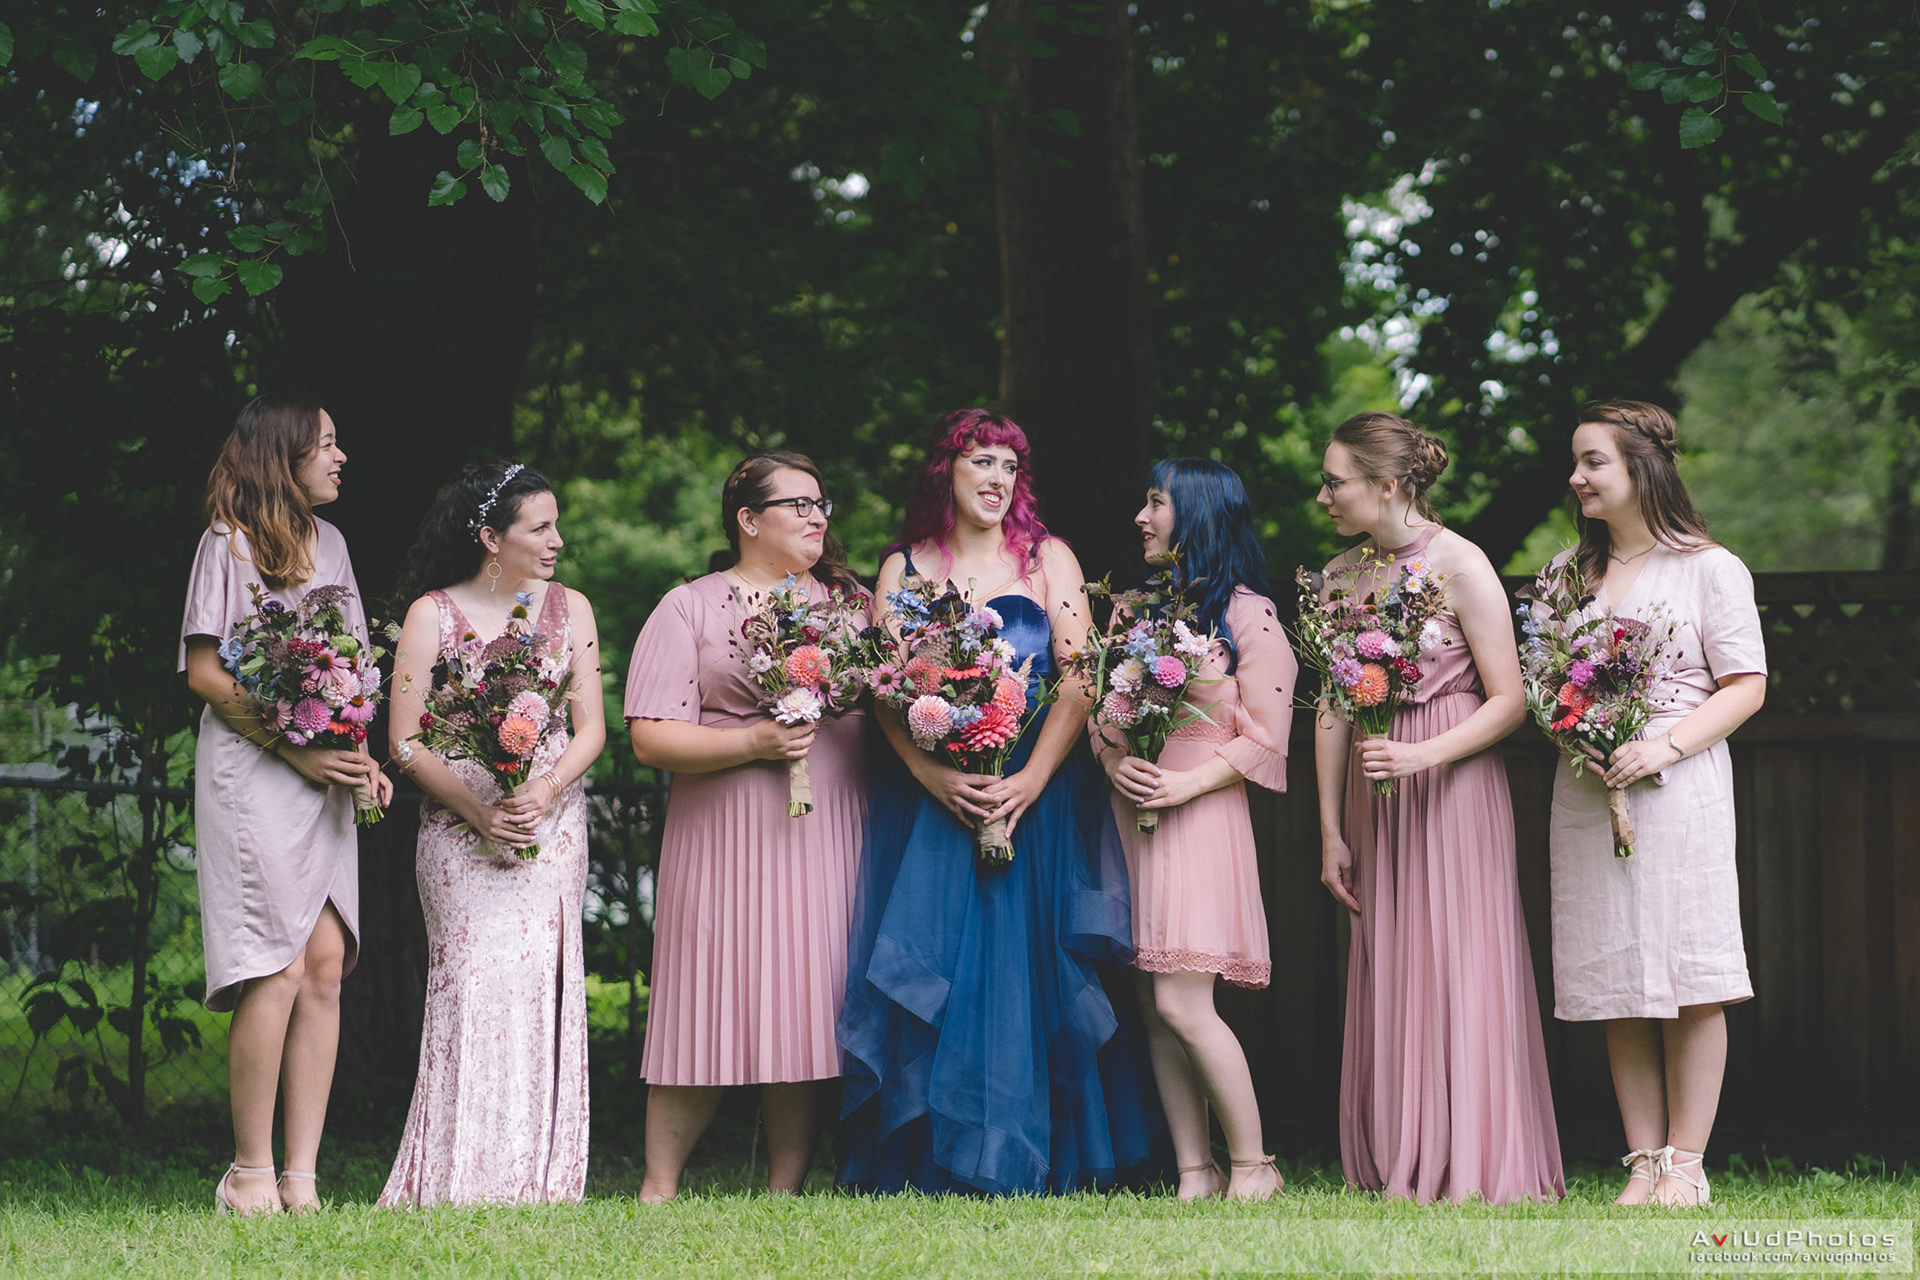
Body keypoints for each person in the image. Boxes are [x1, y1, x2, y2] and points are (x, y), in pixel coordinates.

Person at [837, 409, 1160, 1196]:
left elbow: (1079, 678)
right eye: (981, 460)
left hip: (1033, 790)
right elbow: (884, 689)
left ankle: (1032, 1151)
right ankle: (931, 1154)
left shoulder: (1049, 559)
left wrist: (1033, 780)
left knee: (1030, 961)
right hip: (934, 794)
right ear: (944, 470)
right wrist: (933, 777)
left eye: (1010, 466)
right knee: (941, 952)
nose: (997, 478)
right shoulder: (902, 568)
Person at [1314, 411, 1564, 1204]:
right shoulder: (1339, 576)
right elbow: (1332, 706)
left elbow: (1511, 701)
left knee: (1460, 955)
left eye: (1335, 482)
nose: (1323, 496)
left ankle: (1477, 1156)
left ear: (1388, 485)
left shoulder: (1461, 564)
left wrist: (1422, 756)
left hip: (1452, 781)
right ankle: (1401, 1148)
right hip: (1374, 789)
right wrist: (1329, 828)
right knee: (1391, 957)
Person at [625, 452, 872, 1201]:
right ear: (748, 520)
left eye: (822, 504)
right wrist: (754, 742)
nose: (816, 516)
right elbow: (650, 737)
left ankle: (784, 1190)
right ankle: (659, 1186)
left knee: (807, 999)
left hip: (826, 829)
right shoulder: (690, 607)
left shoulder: (852, 608)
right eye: (798, 504)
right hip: (720, 834)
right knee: (701, 995)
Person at [1543, 400, 1765, 1208]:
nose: (1576, 477)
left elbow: (1746, 685)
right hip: (1589, 787)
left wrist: (1663, 746)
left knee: (1690, 969)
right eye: (1575, 461)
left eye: (1593, 461)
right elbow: (1547, 681)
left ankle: (1687, 1164)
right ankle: (1642, 1163)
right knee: (1617, 973)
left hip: (1679, 786)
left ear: (1642, 468)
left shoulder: (1711, 568)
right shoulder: (1565, 576)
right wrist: (1577, 733)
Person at [180, 393, 393, 1214]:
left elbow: (349, 666)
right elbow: (207, 672)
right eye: (327, 444)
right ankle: (248, 1172)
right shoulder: (227, 544)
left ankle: (301, 1177)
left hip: (323, 770)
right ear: (285, 454)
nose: (342, 457)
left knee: (327, 965)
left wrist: (359, 757)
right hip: (255, 769)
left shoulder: (332, 543)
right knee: (277, 963)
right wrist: (293, 748)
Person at [378, 461, 605, 1207]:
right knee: (471, 984)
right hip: (459, 832)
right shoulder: (430, 616)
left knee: (541, 986)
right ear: (490, 538)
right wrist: (479, 812)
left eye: (556, 524)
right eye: (541, 527)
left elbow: (591, 729)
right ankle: (458, 1177)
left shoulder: (573, 610)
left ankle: (538, 1179)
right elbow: (405, 741)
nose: (557, 540)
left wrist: (542, 789)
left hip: (551, 828)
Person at [1094, 458, 1295, 1201]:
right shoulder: (1132, 611)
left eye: (1155, 504)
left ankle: (1253, 1165)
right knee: (1154, 1006)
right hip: (1134, 814)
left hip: (1201, 816)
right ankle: (1193, 1171)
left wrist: (1186, 783)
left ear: (1198, 513)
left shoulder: (1250, 616)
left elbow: (1267, 739)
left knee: (1184, 1001)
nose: (1141, 519)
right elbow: (1102, 715)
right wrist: (1114, 760)